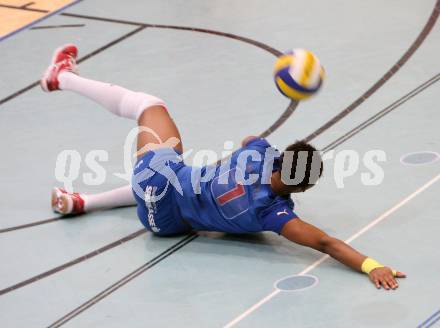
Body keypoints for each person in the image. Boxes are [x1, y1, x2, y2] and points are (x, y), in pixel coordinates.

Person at [42, 44, 405, 290]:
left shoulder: (260, 152)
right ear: (304, 187)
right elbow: (326, 243)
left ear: (281, 159)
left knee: (149, 109)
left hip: (154, 183)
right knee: (172, 186)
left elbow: (250, 139)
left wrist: (261, 150)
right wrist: (373, 266)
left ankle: (62, 78)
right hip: (162, 225)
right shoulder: (274, 215)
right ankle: (81, 202)